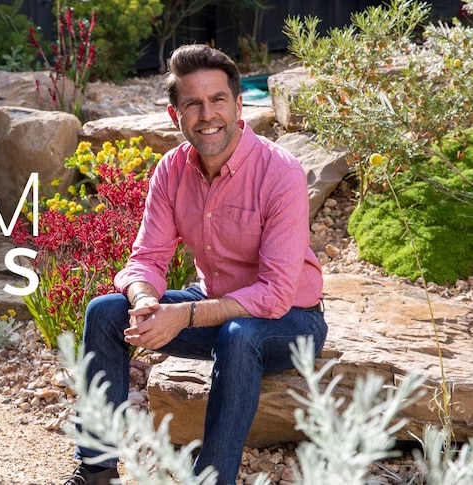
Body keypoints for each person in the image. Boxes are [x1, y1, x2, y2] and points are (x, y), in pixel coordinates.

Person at [62, 44, 328, 485]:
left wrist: (181, 315)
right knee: (105, 311)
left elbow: (276, 293)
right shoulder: (171, 170)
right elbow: (146, 258)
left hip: (290, 322)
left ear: (239, 104)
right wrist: (146, 302)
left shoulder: (280, 173)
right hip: (215, 307)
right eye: (193, 104)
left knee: (240, 334)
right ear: (176, 116)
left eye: (218, 100)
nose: (208, 115)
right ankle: (96, 470)